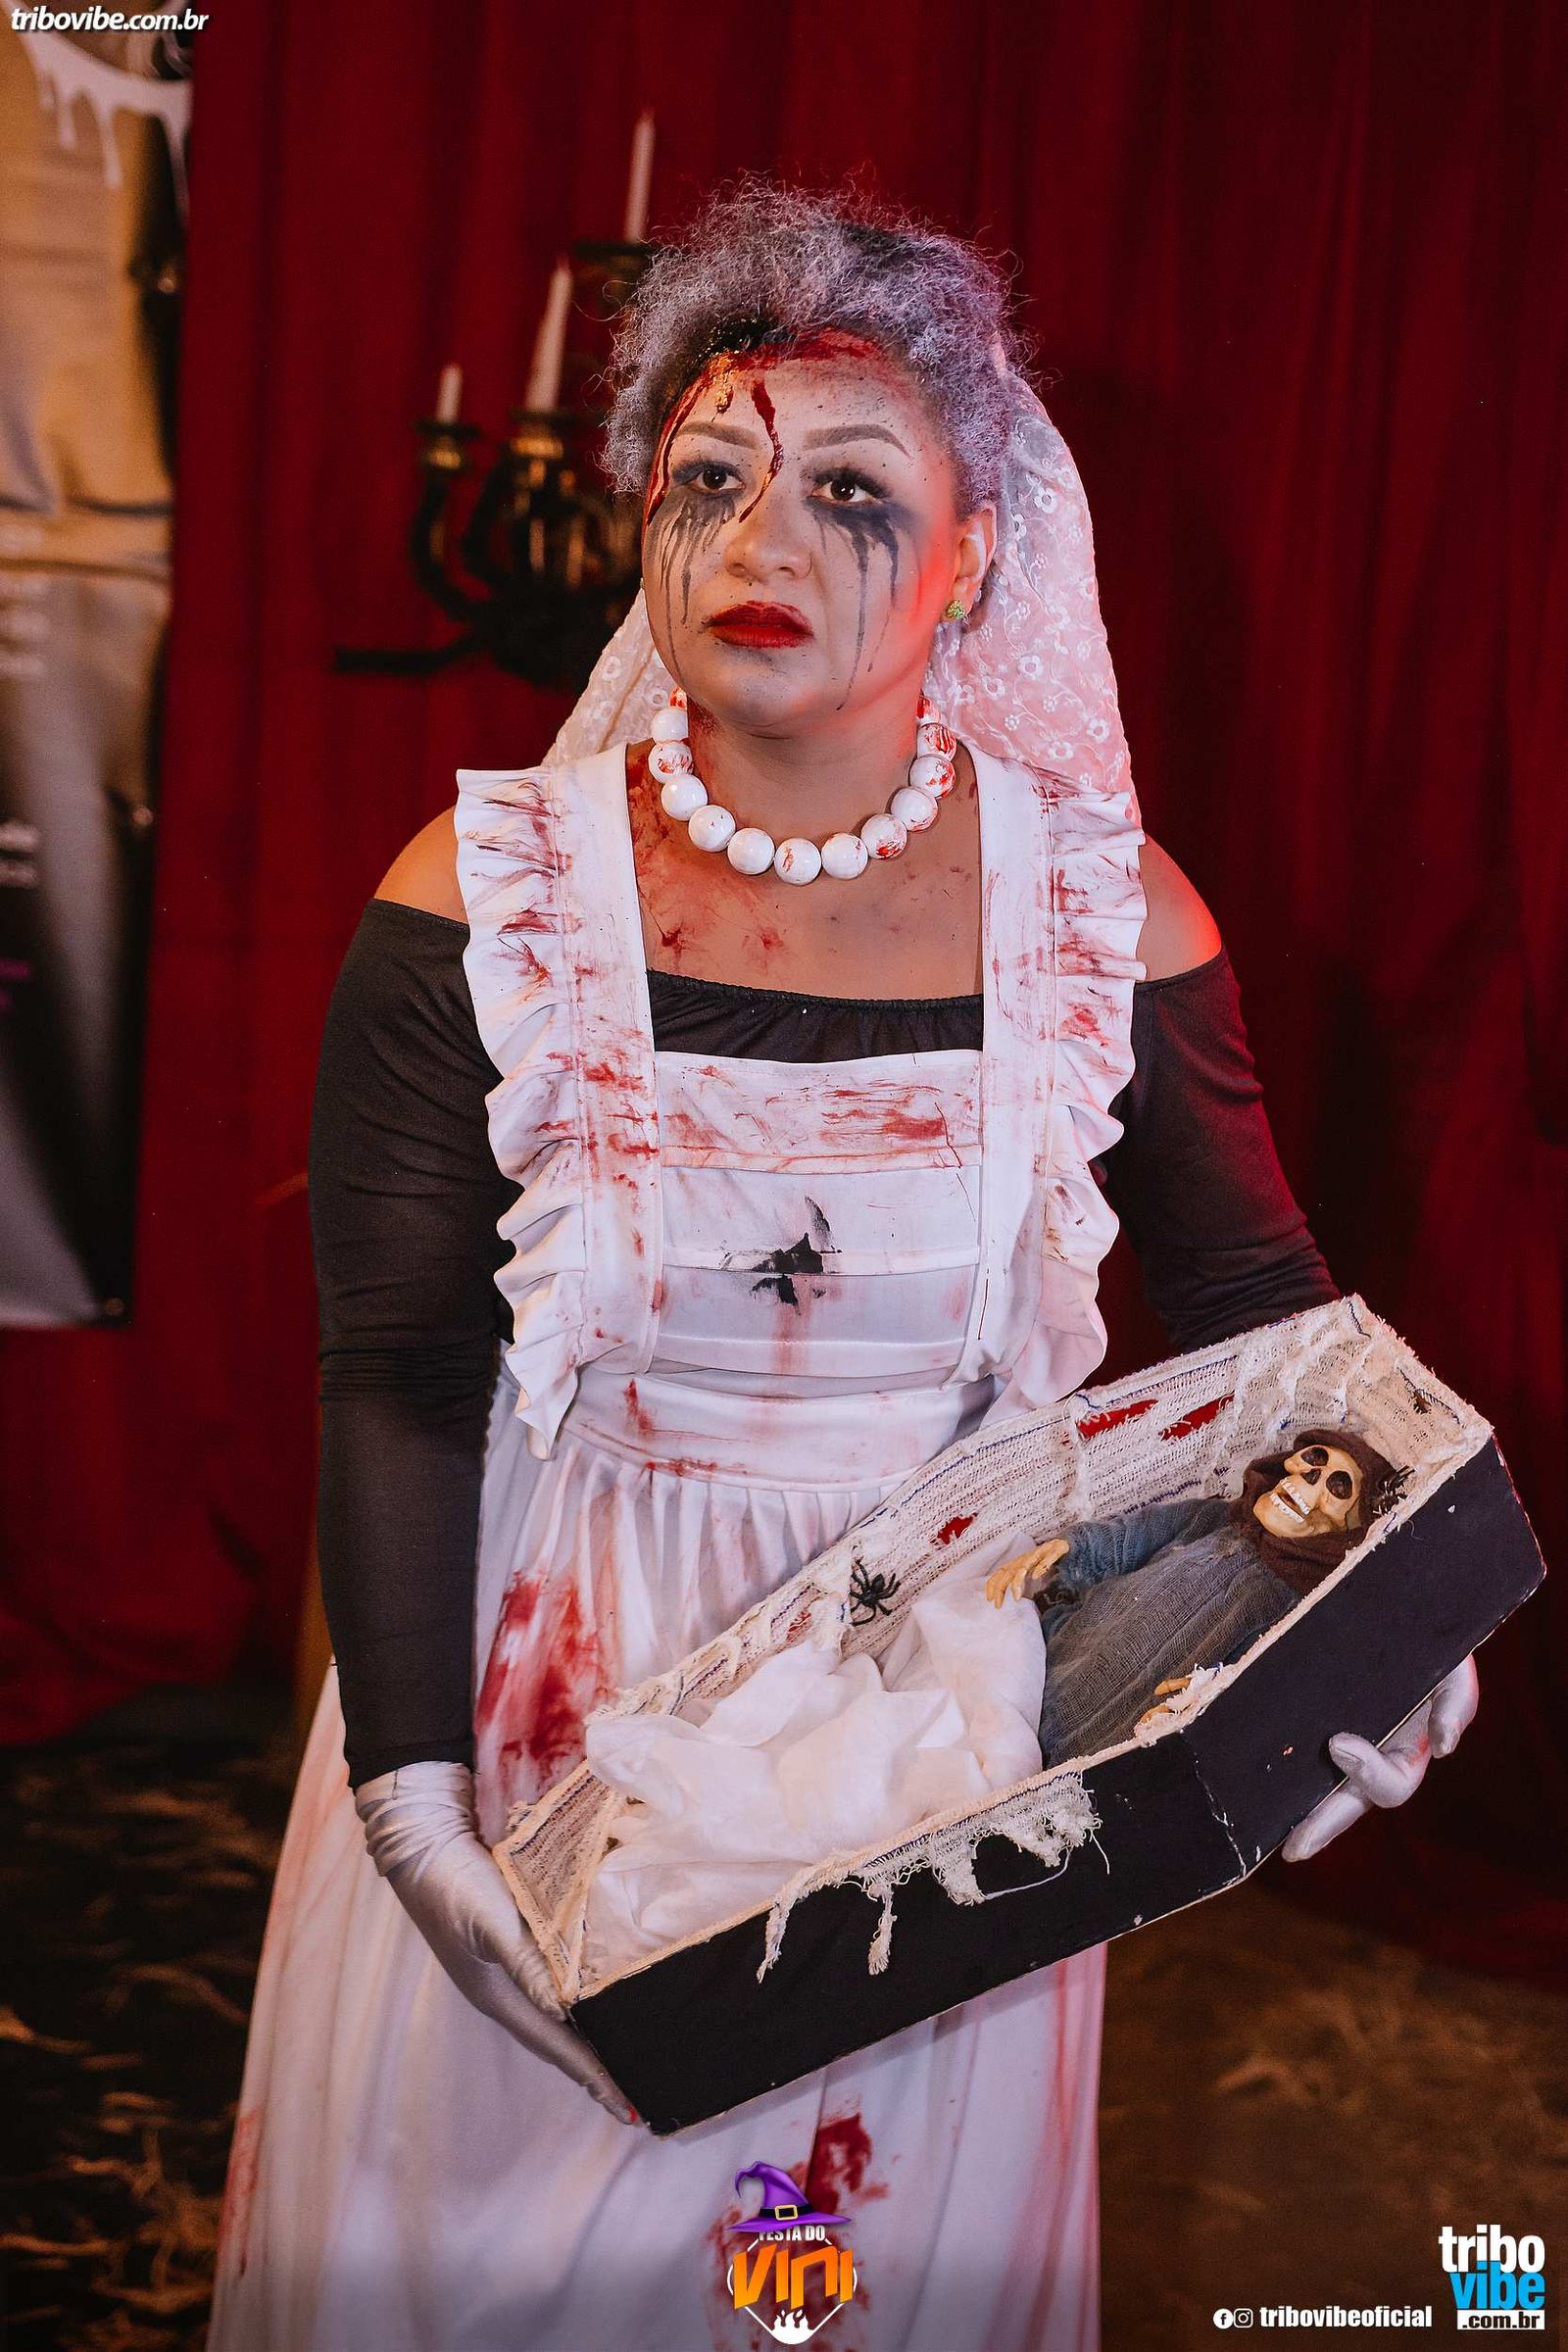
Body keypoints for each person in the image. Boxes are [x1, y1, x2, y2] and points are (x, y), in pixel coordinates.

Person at [209, 182, 1476, 2352]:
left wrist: (1377, 1600)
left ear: (974, 559)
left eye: (851, 495)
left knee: (822, 2287)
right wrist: (413, 1794)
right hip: (541, 1703)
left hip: (927, 1746)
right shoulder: (480, 894)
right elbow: (399, 1369)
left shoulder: (1102, 914)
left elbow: (1267, 1322)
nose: (755, 542)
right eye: (706, 481)